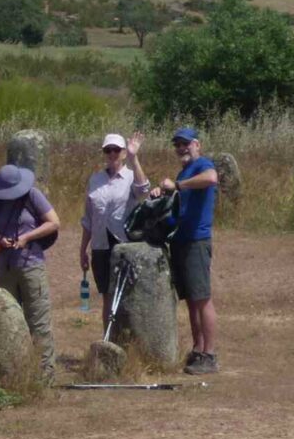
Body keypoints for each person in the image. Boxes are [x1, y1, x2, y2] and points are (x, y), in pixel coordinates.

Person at [0, 163, 61, 379]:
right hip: (6, 266)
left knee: (38, 321)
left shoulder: (33, 195)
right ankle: (9, 372)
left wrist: (27, 238)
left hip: (31, 264)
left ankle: (45, 375)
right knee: (5, 320)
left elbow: (54, 222)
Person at [155, 126, 219, 375]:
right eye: (177, 145)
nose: (181, 148)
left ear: (197, 144)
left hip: (196, 240)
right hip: (180, 240)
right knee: (191, 301)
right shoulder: (184, 170)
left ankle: (210, 355)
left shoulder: (203, 164)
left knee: (202, 299)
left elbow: (212, 178)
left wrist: (179, 185)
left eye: (186, 143)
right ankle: (198, 349)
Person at [79, 132, 149, 331]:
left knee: (127, 295)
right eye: (108, 150)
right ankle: (108, 339)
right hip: (100, 245)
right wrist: (83, 249)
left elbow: (143, 191)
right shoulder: (95, 179)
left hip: (124, 244)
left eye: (116, 150)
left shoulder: (130, 176)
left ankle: (129, 341)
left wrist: (135, 159)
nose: (112, 154)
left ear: (124, 153)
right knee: (107, 296)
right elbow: (88, 219)